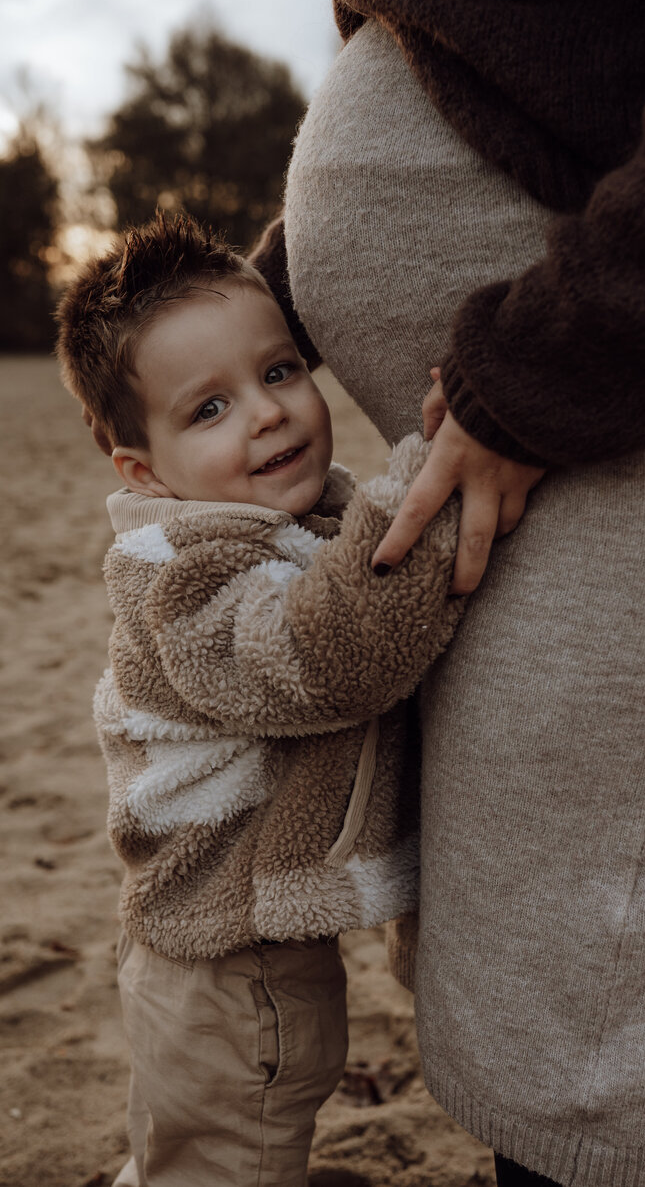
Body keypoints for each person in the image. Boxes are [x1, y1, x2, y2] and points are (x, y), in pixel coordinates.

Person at [251, 0, 645, 1184]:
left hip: (639, 369)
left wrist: (558, 359)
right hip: (516, 397)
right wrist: (249, 303)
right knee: (519, 894)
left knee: (588, 966)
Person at [55, 212, 464, 1187]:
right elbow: (329, 653)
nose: (269, 412)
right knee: (231, 1144)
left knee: (199, 1136)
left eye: (279, 372)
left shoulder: (267, 526)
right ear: (143, 471)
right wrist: (426, 476)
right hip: (226, 968)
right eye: (209, 409)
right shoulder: (180, 585)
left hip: (218, 953)